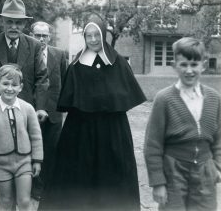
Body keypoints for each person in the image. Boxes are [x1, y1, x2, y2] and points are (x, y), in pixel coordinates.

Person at [39, 14, 146, 211]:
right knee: (77, 176)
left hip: (112, 131)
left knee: (113, 176)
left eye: (97, 35)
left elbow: (125, 95)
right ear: (84, 38)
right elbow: (69, 99)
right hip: (81, 130)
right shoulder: (77, 65)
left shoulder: (119, 63)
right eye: (89, 36)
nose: (94, 40)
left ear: (103, 34)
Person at [144, 37, 221, 211]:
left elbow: (220, 138)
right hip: (173, 171)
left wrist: (219, 167)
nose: (189, 70)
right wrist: (158, 183)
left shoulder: (213, 98)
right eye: (184, 64)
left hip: (205, 172)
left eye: (194, 64)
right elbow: (153, 145)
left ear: (203, 65)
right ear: (174, 66)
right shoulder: (164, 99)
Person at [0, 64, 43, 211]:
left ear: (20, 87)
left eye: (14, 85)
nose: (9, 88)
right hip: (1, 165)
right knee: (6, 202)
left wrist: (37, 160)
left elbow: (36, 136)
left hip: (23, 162)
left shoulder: (28, 109)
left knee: (25, 201)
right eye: (5, 83)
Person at [0, 0, 49, 122]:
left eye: (18, 23)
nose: (14, 26)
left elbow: (42, 78)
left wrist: (40, 107)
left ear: (24, 24)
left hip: (25, 111)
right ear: (2, 21)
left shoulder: (34, 45)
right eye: (9, 22)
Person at [30, 21, 67, 201]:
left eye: (44, 35)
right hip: (32, 110)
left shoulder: (59, 54)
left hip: (54, 112)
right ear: (32, 35)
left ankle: (48, 187)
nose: (41, 39)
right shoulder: (26, 53)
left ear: (49, 37)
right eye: (38, 35)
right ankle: (34, 187)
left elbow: (64, 80)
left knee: (52, 150)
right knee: (34, 148)